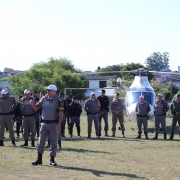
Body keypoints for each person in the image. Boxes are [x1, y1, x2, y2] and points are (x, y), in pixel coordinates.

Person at [30, 84, 64, 166]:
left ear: (54, 91)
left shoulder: (59, 101)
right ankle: (39, 159)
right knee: (41, 141)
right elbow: (36, 108)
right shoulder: (43, 98)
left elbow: (61, 113)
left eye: (49, 90)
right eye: (47, 90)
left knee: (53, 142)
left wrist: (59, 124)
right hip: (44, 124)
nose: (47, 91)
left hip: (53, 124)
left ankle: (52, 160)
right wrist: (32, 104)